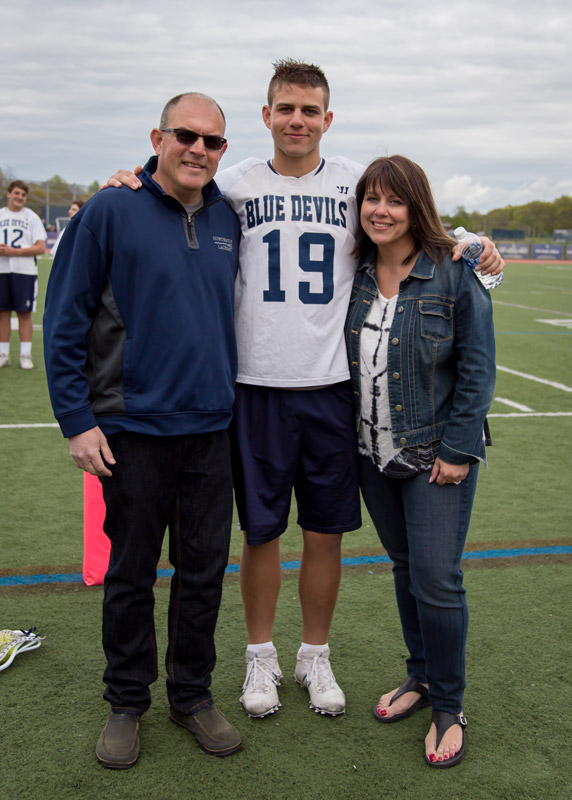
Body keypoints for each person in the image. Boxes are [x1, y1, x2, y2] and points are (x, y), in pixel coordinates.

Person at [105, 59, 505, 720]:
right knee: (260, 533)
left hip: (332, 389)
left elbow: (411, 217)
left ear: (328, 118)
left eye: (309, 110)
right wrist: (132, 177)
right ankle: (259, 654)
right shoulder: (233, 183)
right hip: (255, 387)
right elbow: (170, 188)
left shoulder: (355, 183)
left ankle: (314, 654)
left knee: (325, 532)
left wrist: (474, 242)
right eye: (286, 109)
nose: (297, 120)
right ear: (266, 116)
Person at [43, 92, 242, 768]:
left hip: (211, 430)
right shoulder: (109, 210)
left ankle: (191, 695)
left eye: (213, 141)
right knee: (130, 573)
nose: (198, 149)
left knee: (203, 573)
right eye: (186, 135)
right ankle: (127, 700)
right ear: (158, 138)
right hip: (131, 430)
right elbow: (64, 322)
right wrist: (77, 422)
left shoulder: (228, 216)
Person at [345, 155, 496, 768]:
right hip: (372, 452)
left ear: (416, 206)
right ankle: (422, 675)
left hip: (437, 453)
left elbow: (479, 367)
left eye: (394, 200)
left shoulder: (453, 270)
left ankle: (449, 706)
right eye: (371, 199)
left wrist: (459, 451)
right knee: (406, 568)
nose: (380, 211)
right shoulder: (354, 268)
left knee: (436, 579)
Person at [0, 180, 47, 369]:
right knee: (3, 313)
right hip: (2, 270)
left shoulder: (32, 217)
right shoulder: (1, 215)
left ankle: (25, 354)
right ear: (9, 194)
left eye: (23, 195)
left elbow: (41, 247)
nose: (20, 197)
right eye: (17, 193)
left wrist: (14, 251)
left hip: (24, 271)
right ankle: (3, 353)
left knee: (24, 313)